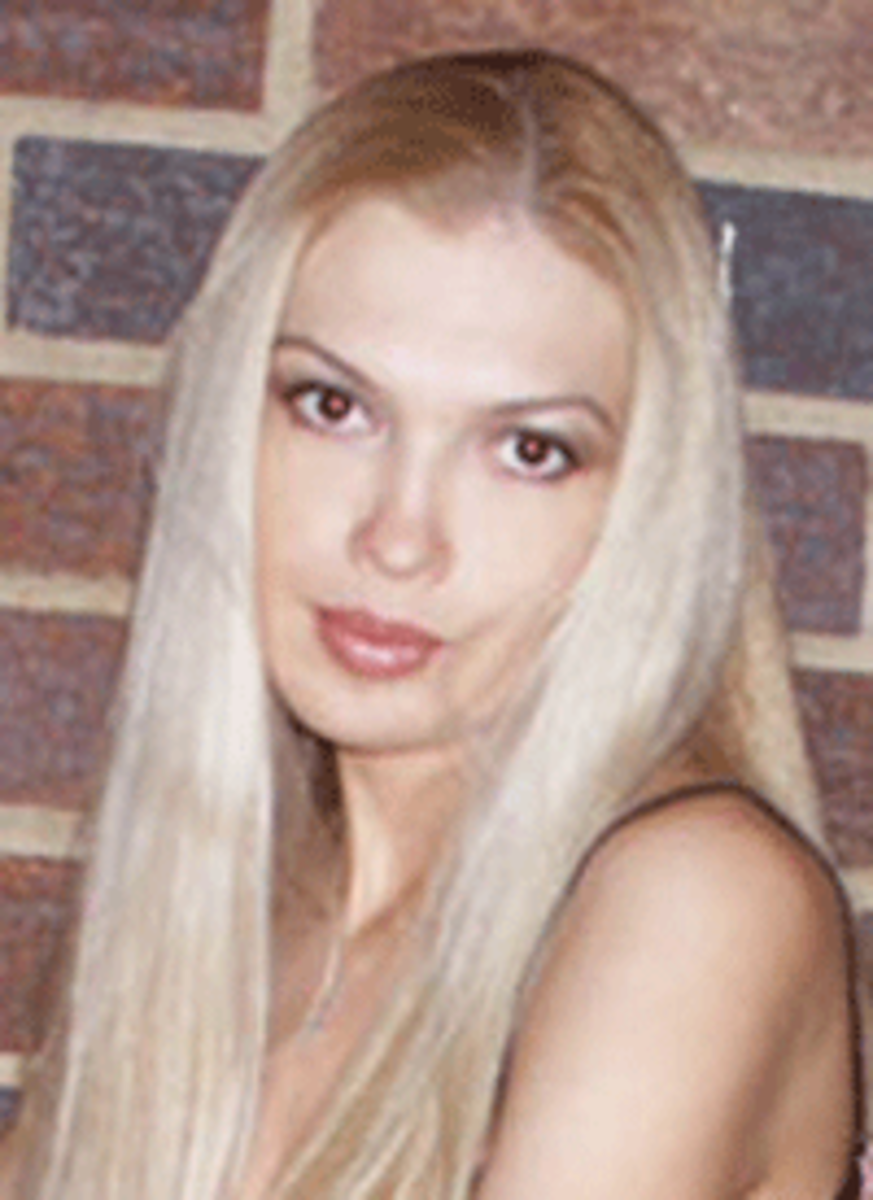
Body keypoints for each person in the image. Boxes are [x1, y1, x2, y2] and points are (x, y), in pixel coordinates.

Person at [0, 48, 864, 1199]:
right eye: (333, 405)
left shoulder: (692, 904)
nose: (399, 536)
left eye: (529, 451)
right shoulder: (234, 921)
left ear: (642, 510)